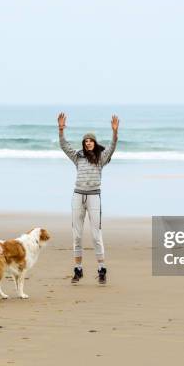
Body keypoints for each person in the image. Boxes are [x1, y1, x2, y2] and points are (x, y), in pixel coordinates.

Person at [57, 112, 119, 285]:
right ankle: (78, 270)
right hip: (78, 196)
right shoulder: (78, 157)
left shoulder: (101, 157)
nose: (88, 143)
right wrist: (61, 129)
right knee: (76, 236)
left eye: (91, 141)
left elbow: (112, 147)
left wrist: (115, 132)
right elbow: (63, 145)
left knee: (96, 235)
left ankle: (101, 269)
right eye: (86, 141)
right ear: (84, 144)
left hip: (94, 197)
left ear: (95, 143)